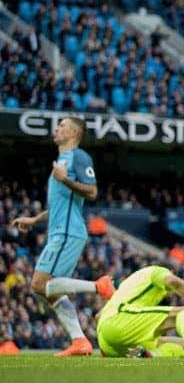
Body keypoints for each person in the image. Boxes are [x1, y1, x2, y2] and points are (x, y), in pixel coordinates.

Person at [10, 117, 115, 357]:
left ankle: (99, 286)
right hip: (60, 231)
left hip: (68, 232)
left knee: (39, 284)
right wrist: (35, 220)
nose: (57, 129)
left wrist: (65, 179)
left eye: (62, 126)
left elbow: (92, 191)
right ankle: (80, 341)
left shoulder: (79, 157)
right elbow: (60, 204)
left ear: (75, 132)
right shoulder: (61, 162)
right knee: (52, 291)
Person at [96, 265, 184, 358]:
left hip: (110, 345)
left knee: (180, 346)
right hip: (120, 321)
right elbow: (172, 281)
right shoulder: (157, 271)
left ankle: (153, 355)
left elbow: (98, 317)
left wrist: (106, 350)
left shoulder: (126, 289)